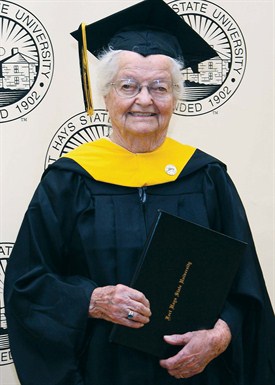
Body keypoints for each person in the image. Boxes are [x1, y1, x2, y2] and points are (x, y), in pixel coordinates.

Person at [4, 0, 275, 384]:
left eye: (159, 87)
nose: (144, 100)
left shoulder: (207, 177)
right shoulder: (69, 180)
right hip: (100, 373)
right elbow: (27, 283)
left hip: (195, 375)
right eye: (128, 86)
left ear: (176, 98)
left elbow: (246, 289)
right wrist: (92, 301)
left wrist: (220, 335)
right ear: (106, 96)